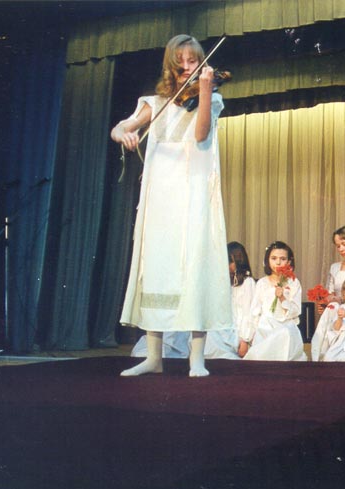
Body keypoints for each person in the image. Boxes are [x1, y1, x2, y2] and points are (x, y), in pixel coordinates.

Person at [112, 34, 232, 377]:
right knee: (158, 265)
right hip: (161, 195)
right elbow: (121, 127)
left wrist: (205, 89)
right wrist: (123, 133)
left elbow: (200, 134)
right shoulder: (155, 102)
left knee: (195, 263)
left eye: (193, 61)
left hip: (193, 190)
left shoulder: (211, 97)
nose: (187, 68)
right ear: (170, 65)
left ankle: (197, 358)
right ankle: (154, 357)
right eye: (180, 63)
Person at [239, 241, 307, 361]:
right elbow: (255, 312)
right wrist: (247, 338)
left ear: (289, 262)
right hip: (266, 326)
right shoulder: (262, 283)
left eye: (283, 259)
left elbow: (296, 311)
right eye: (274, 258)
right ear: (268, 260)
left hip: (286, 325)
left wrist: (282, 298)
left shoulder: (293, 282)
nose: (278, 262)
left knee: (284, 334)